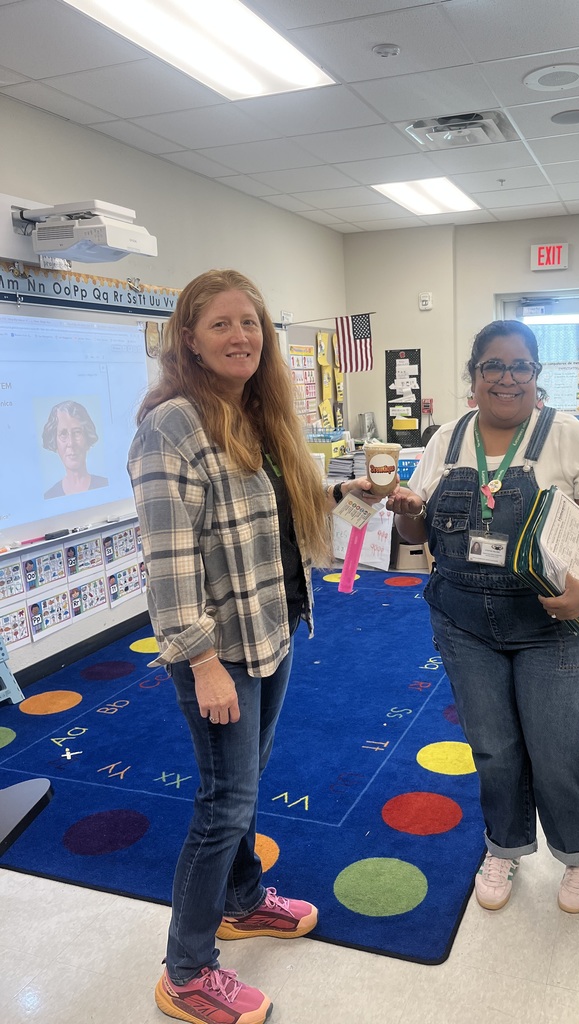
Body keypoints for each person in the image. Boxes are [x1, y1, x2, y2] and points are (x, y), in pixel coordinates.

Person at [128, 268, 371, 1024]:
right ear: (190, 340)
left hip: (273, 631)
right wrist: (200, 661)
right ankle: (187, 970)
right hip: (220, 649)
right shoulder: (174, 424)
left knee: (245, 787)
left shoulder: (257, 414)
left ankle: (241, 900)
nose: (241, 337)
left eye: (251, 324)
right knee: (222, 802)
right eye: (222, 324)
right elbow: (168, 565)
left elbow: (262, 525)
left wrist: (345, 501)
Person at [386, 320, 579, 916]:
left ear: (536, 375)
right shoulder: (446, 441)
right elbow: (415, 533)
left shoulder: (570, 438)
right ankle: (504, 845)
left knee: (559, 748)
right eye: (491, 367)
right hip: (463, 623)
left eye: (519, 366)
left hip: (555, 626)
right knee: (493, 748)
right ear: (473, 377)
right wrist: (404, 513)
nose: (506, 378)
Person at [41, 400, 108, 498]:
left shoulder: (104, 485)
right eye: (63, 434)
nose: (71, 443)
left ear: (87, 437)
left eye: (77, 432)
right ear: (54, 442)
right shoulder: (50, 496)